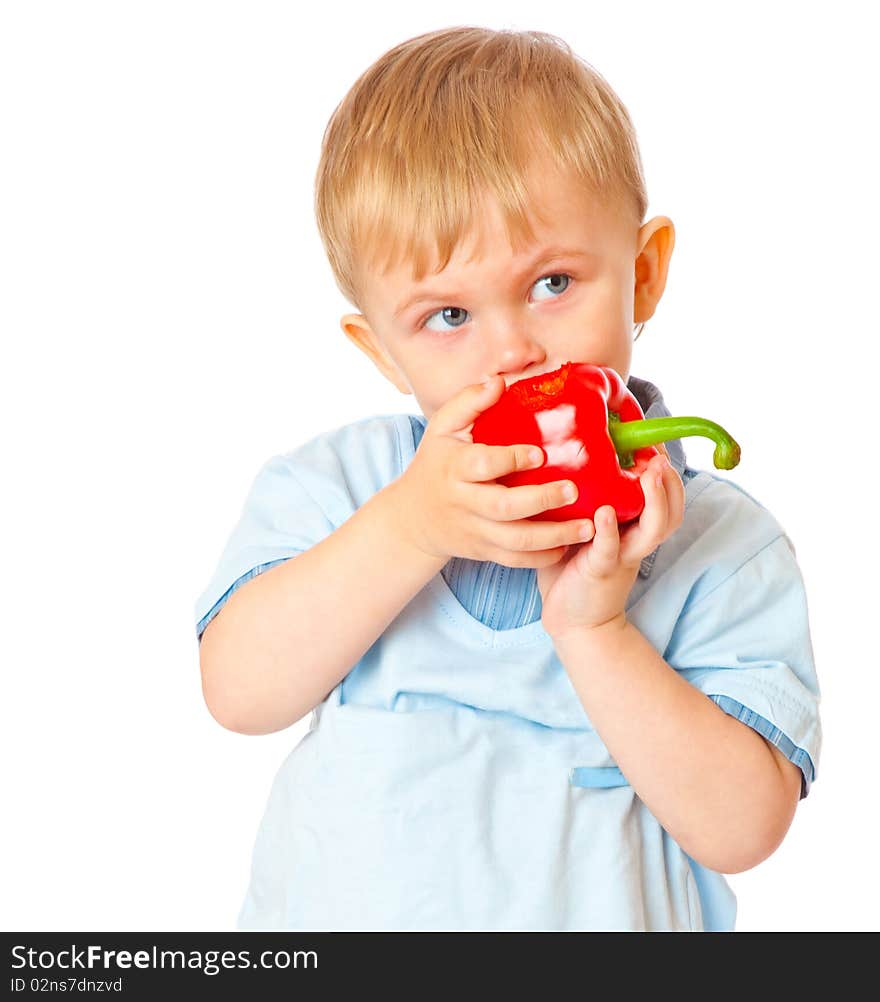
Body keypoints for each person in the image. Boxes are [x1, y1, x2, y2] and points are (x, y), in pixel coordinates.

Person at [194, 26, 820, 931]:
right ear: (382, 351)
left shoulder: (721, 547)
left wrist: (593, 630)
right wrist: (411, 525)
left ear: (642, 276)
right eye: (448, 313)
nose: (514, 349)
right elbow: (237, 692)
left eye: (554, 283)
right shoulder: (344, 487)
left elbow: (744, 829)